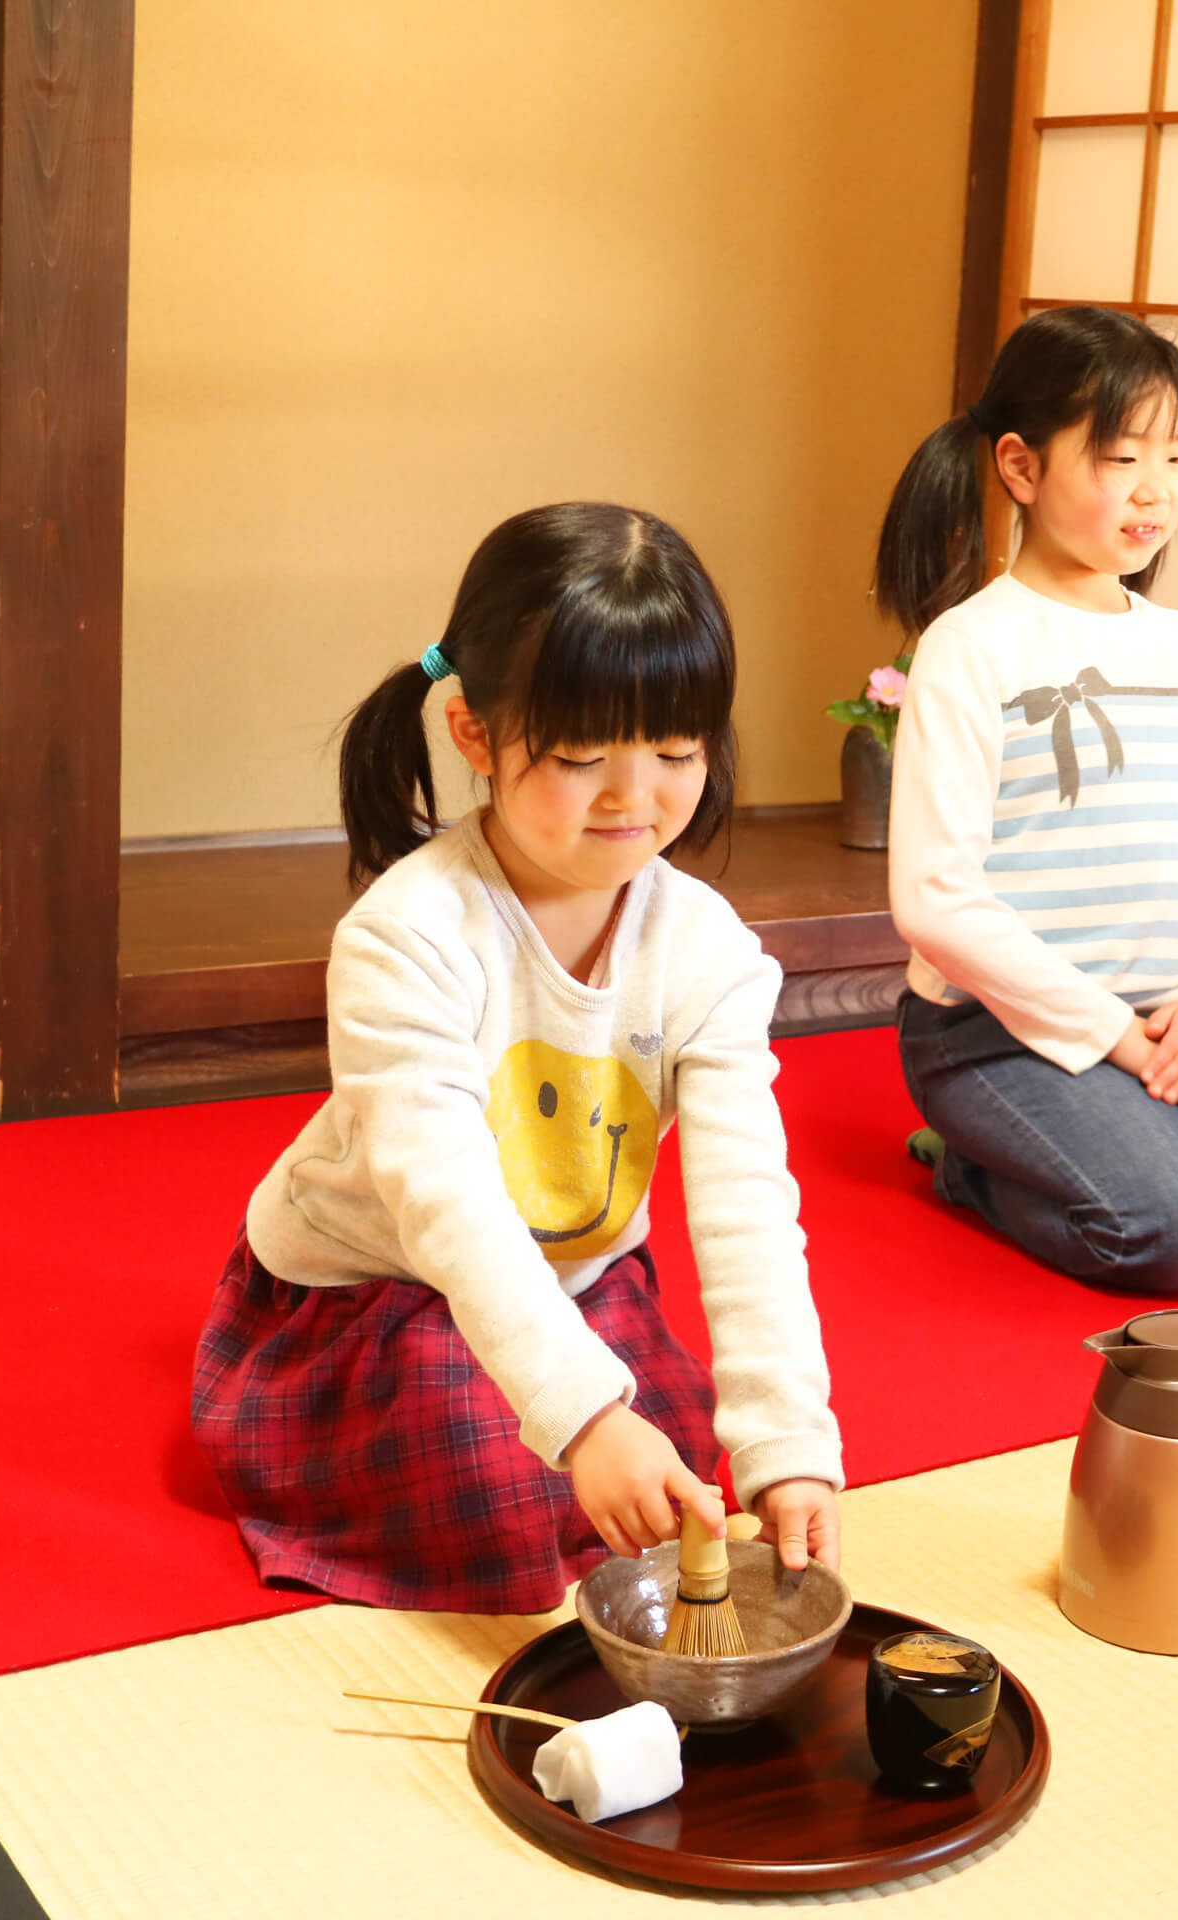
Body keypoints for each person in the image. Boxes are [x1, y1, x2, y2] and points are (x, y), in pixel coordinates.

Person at [194, 502, 844, 1615]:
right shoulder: (409, 935)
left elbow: (747, 1210)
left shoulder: (709, 952)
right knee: (498, 1483)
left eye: (676, 749)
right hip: (379, 1285)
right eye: (583, 753)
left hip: (571, 1273)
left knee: (679, 1458)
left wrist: (790, 1444)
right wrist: (587, 1420)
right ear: (476, 735)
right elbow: (446, 1208)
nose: (633, 797)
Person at [877, 305, 1178, 1294]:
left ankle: (1127, 1115)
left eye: (1177, 458)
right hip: (995, 1035)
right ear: (1021, 469)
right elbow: (934, 898)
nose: (1156, 491)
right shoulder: (971, 648)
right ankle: (971, 1167)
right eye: (1118, 458)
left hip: (1164, 1021)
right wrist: (1113, 1039)